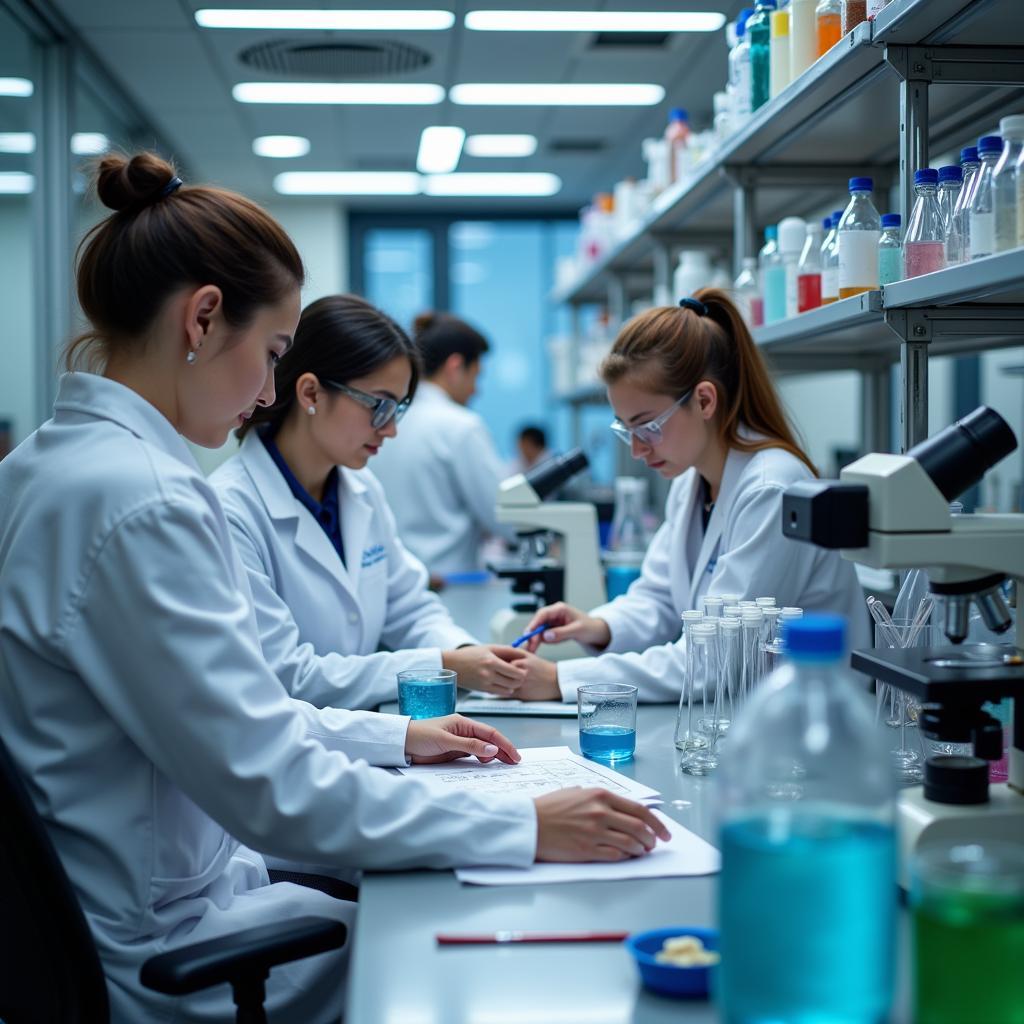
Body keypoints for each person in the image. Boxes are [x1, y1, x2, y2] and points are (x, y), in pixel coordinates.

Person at [0, 152, 669, 1023]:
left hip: (141, 910)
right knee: (470, 953)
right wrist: (527, 827)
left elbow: (237, 717)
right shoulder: (145, 499)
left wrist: (400, 741)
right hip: (169, 957)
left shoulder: (43, 469)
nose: (272, 389)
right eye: (273, 353)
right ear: (203, 319)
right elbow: (271, 782)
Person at [514, 290, 870, 703]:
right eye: (625, 430)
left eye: (647, 426)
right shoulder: (692, 482)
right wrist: (599, 626)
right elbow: (660, 598)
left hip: (812, 722)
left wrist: (560, 680)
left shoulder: (773, 488)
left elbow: (716, 659)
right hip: (743, 713)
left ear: (704, 400)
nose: (637, 449)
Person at [210, 293, 528, 706]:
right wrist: (442, 664)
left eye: (398, 409)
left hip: (360, 737)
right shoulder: (231, 509)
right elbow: (286, 675)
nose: (391, 429)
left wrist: (468, 656)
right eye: (379, 406)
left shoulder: (361, 491)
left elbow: (409, 608)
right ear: (310, 393)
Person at [371, 312, 509, 576]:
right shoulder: (462, 426)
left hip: (388, 580)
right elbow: (504, 516)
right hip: (451, 589)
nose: (476, 390)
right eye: (476, 376)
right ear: (455, 367)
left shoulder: (384, 419)